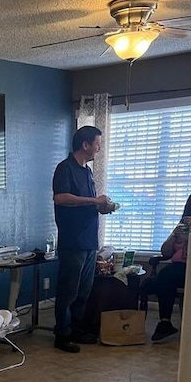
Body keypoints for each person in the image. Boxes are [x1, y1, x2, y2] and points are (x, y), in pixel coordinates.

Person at [52, 125, 116, 353]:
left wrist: (103, 207)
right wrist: (93, 201)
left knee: (84, 290)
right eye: (97, 143)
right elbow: (61, 198)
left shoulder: (87, 171)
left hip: (89, 240)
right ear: (85, 144)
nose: (99, 148)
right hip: (72, 241)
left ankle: (76, 330)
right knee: (68, 291)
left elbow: (87, 202)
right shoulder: (64, 168)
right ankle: (62, 334)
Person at [148, 190, 191, 342]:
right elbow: (166, 252)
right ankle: (165, 323)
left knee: (165, 275)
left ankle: (165, 323)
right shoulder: (183, 224)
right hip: (177, 268)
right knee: (166, 276)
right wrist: (174, 236)